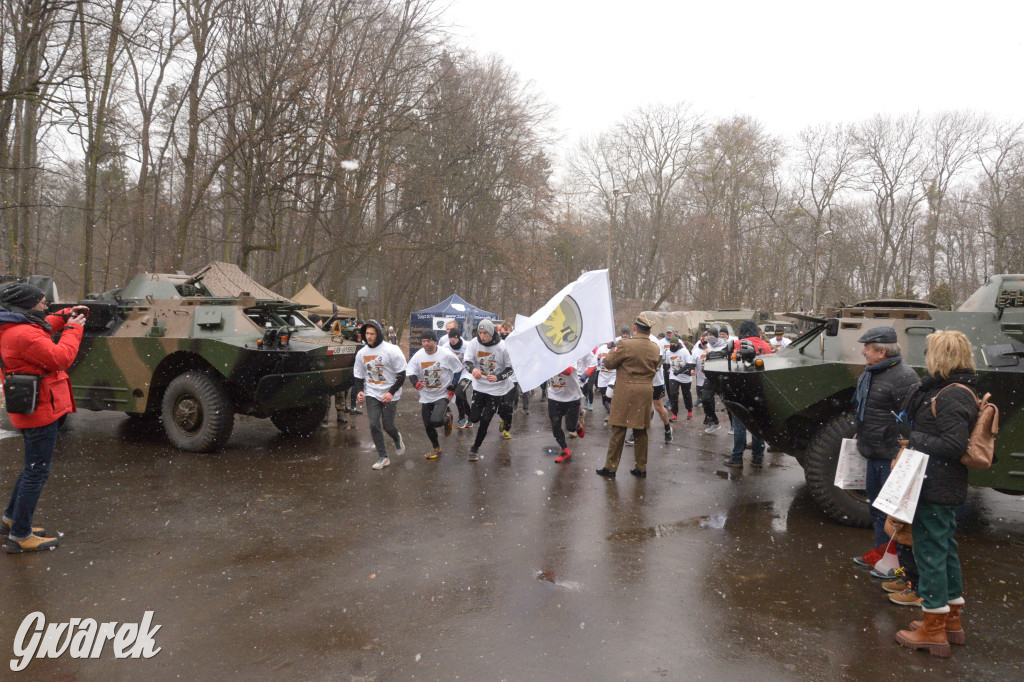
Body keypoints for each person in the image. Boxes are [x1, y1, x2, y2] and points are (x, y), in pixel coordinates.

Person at [894, 330, 978, 657]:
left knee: (930, 553)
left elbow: (954, 445)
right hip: (939, 483)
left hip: (935, 485)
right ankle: (949, 621)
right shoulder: (952, 389)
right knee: (944, 550)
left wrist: (914, 438)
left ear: (941, 356)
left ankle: (934, 630)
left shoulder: (952, 394)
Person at [1, 283, 87, 553]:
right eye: (40, 302)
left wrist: (63, 316)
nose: (44, 306)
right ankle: (21, 535)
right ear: (26, 305)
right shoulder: (23, 333)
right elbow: (61, 357)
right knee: (37, 472)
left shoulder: (12, 326)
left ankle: (12, 520)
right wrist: (74, 328)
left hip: (32, 406)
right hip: (41, 410)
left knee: (31, 468)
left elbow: (42, 325)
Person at [850, 326, 920, 566]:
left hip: (890, 457)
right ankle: (881, 557)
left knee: (894, 516)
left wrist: (901, 453)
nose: (863, 353)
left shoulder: (905, 376)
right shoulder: (871, 373)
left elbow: (911, 420)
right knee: (877, 511)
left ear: (881, 352)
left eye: (867, 349)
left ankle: (897, 565)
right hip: (873, 453)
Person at [596, 314, 662, 480]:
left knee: (618, 429)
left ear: (634, 328)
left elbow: (608, 363)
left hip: (626, 390)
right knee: (641, 431)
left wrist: (613, 347)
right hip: (646, 390)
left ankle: (610, 467)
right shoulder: (655, 347)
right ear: (650, 331)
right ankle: (641, 467)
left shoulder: (624, 344)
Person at [353, 319, 408, 470]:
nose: (369, 336)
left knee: (388, 426)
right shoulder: (362, 353)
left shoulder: (392, 350)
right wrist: (359, 391)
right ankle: (383, 456)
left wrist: (390, 393)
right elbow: (358, 375)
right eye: (367, 333)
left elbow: (402, 375)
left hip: (390, 393)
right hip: (372, 393)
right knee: (373, 423)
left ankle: (397, 438)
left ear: (379, 334)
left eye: (372, 333)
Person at [463, 319, 515, 461]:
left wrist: (498, 377)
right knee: (474, 418)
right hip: (479, 386)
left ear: (491, 332)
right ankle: (500, 411)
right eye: (480, 333)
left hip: (496, 389)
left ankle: (475, 448)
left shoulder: (503, 347)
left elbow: (511, 368)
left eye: (485, 333)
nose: (482, 336)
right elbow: (466, 361)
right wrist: (473, 369)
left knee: (486, 420)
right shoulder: (474, 343)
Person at [723, 320, 773, 469]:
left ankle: (737, 457)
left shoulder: (738, 344)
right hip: (761, 391)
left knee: (740, 425)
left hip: (741, 391)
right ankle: (758, 458)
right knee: (758, 426)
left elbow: (729, 367)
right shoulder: (766, 345)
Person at [407, 331, 463, 459]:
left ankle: (447, 418)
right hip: (427, 395)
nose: (425, 344)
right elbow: (411, 372)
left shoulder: (446, 354)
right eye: (423, 341)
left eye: (428, 341)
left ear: (435, 341)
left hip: (442, 394)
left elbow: (458, 370)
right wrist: (415, 383)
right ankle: (436, 448)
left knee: (436, 421)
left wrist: (453, 387)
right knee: (427, 425)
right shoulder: (418, 356)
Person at [546, 355, 589, 463]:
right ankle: (565, 450)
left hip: (571, 398)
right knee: (555, 426)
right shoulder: (546, 356)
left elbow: (569, 371)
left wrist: (551, 361)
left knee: (570, 427)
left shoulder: (570, 354)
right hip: (554, 397)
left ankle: (577, 425)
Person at [443, 327, 472, 428]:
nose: (452, 340)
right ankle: (471, 416)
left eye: (455, 338)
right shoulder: (445, 347)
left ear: (459, 337)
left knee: (459, 392)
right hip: (454, 374)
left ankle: (462, 418)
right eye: (450, 338)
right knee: (462, 396)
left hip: (466, 373)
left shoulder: (467, 346)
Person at [664, 332, 693, 421]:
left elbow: (689, 364)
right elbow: (667, 364)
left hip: (685, 376)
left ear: (678, 344)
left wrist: (680, 371)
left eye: (674, 344)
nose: (672, 345)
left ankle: (689, 411)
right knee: (673, 394)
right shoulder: (668, 352)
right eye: (671, 344)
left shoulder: (684, 351)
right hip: (674, 376)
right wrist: (666, 371)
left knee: (686, 394)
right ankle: (674, 414)